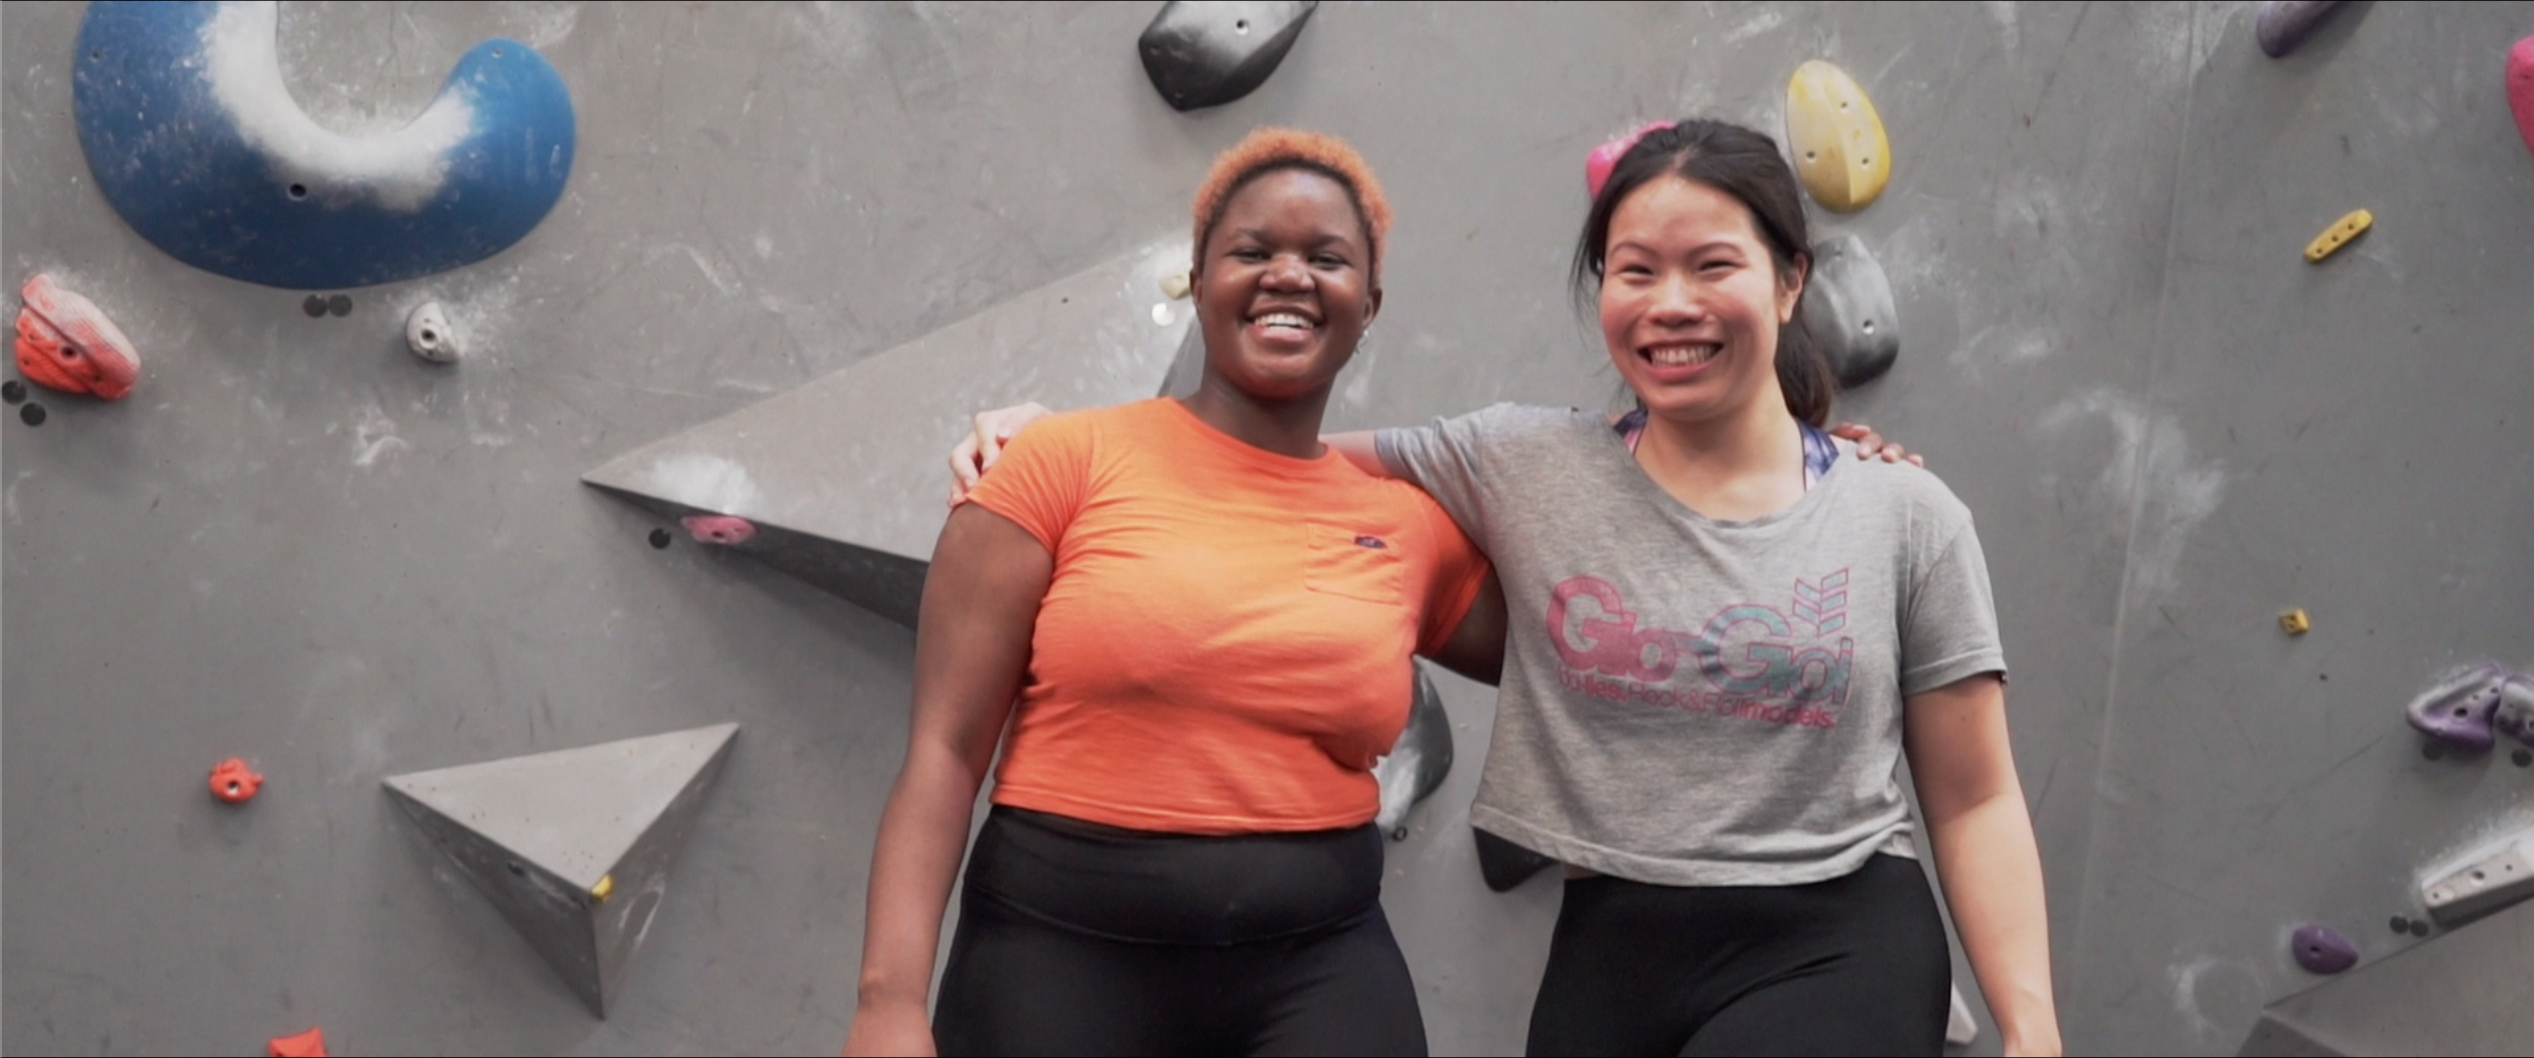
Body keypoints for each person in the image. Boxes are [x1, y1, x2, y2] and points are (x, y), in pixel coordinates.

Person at [952, 118, 2058, 1057]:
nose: (1671, 303)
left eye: (1710, 265)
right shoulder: (1518, 463)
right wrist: (1057, 435)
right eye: (1635, 271)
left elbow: (1973, 795)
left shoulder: (1900, 512)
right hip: (1609, 937)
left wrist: (2031, 1029)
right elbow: (1268, 457)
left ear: (1788, 277)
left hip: (1837, 926)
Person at [842, 128, 1502, 1058]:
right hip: (1059, 964)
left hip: (1319, 974)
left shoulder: (1406, 526)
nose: (1289, 275)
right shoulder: (1056, 464)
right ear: (1199, 280)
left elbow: (1590, 649)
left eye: (1325, 258)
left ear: (1370, 303)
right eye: (1253, 251)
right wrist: (887, 1006)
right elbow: (945, 753)